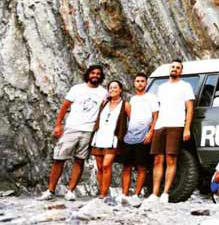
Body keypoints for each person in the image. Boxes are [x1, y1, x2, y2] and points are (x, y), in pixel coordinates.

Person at [40, 65, 108, 201]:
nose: (95, 75)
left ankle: (71, 190)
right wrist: (58, 125)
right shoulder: (77, 89)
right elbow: (64, 107)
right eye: (93, 73)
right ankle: (50, 190)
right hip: (72, 128)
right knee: (59, 159)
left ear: (101, 77)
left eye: (98, 74)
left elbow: (103, 112)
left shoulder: (103, 92)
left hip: (89, 131)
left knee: (80, 160)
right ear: (88, 74)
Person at [144, 59, 195, 204]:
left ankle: (165, 193)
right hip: (161, 125)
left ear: (181, 71)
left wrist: (186, 128)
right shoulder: (162, 87)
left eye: (178, 67)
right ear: (169, 69)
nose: (175, 69)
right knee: (157, 160)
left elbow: (190, 108)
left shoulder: (186, 86)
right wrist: (153, 128)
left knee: (171, 159)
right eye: (173, 67)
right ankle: (154, 194)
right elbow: (157, 109)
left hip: (176, 124)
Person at [120, 73, 158, 203]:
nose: (140, 83)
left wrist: (151, 132)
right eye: (138, 81)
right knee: (126, 166)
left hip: (144, 136)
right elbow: (130, 117)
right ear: (134, 83)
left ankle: (136, 194)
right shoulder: (132, 99)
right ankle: (124, 194)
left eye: (142, 81)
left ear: (146, 83)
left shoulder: (151, 98)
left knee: (142, 166)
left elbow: (155, 117)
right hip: (130, 136)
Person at [91, 80, 130, 202]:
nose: (112, 90)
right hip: (99, 136)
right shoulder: (104, 103)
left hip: (113, 138)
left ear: (120, 90)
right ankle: (103, 191)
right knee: (100, 167)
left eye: (115, 87)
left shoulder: (125, 104)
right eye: (110, 88)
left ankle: (103, 194)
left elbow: (131, 120)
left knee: (106, 165)